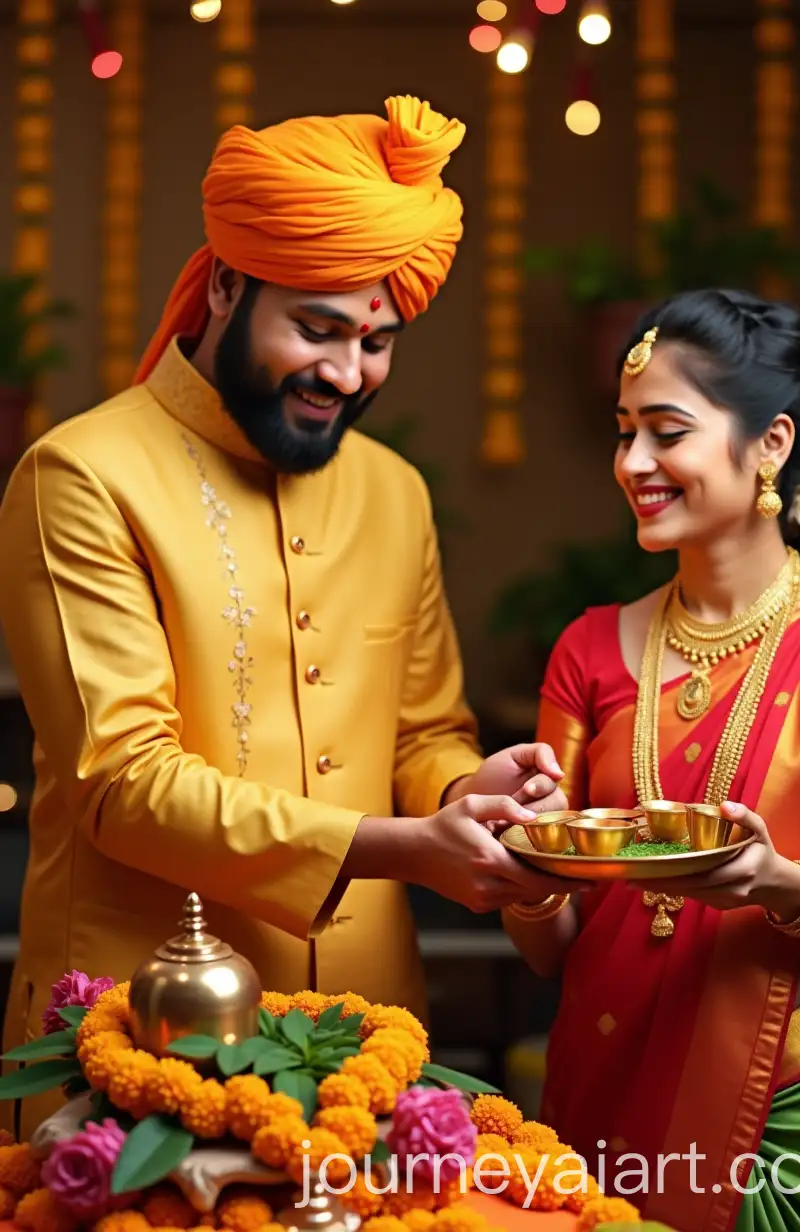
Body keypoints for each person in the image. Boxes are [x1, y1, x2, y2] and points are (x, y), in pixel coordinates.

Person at [0, 96, 573, 1138]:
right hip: (142, 1033)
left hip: (366, 1036)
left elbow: (422, 731)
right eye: (317, 329)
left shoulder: (392, 491)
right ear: (226, 283)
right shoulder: (81, 476)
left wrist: (469, 791)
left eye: (378, 341)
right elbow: (122, 783)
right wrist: (407, 846)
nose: (347, 373)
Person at [501, 289, 800, 1232]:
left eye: (667, 432)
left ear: (771, 444)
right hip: (605, 1107)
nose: (633, 463)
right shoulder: (587, 651)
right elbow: (551, 947)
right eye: (624, 433)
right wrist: (526, 867)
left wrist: (787, 890)